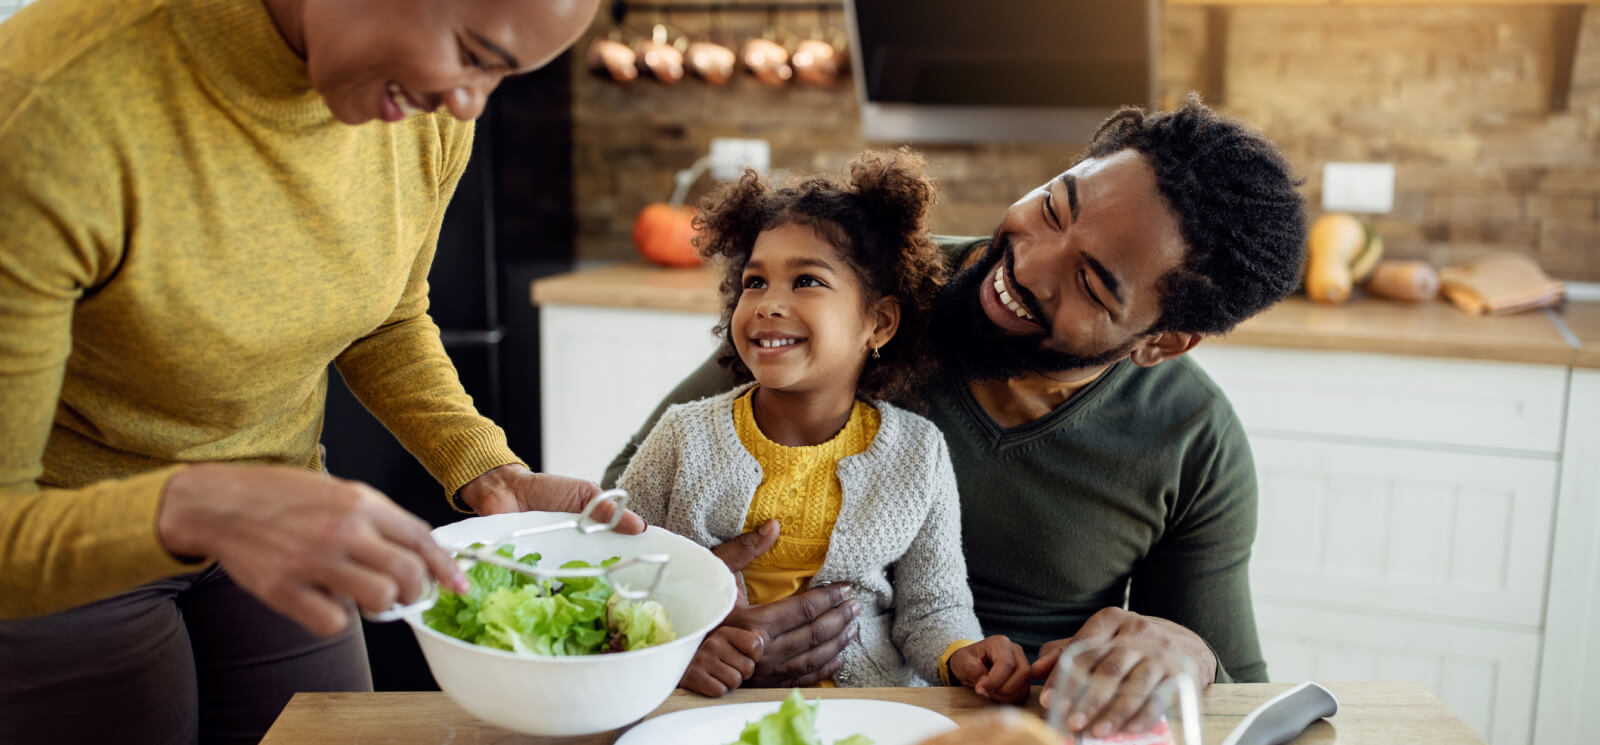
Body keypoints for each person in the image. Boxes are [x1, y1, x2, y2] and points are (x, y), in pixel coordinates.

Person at [0, 0, 641, 743]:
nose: (469, 102)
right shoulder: (51, 107)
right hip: (67, 533)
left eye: (502, 74)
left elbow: (387, 315)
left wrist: (487, 467)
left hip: (282, 507)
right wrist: (203, 505)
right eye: (472, 52)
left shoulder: (428, 114)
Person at [604, 96, 1308, 739]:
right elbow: (627, 506)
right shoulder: (865, 293)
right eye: (1056, 206)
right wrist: (692, 621)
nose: (1028, 264)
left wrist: (1187, 652)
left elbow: (1246, 697)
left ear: (1161, 341)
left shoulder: (1192, 441)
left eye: (1090, 283)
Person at [616, 151, 1031, 703]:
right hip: (709, 706)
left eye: (806, 280)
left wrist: (962, 655)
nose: (767, 304)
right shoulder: (682, 437)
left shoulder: (918, 452)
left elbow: (934, 606)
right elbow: (616, 575)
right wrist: (678, 645)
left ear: (877, 323)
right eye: (755, 282)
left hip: (868, 712)